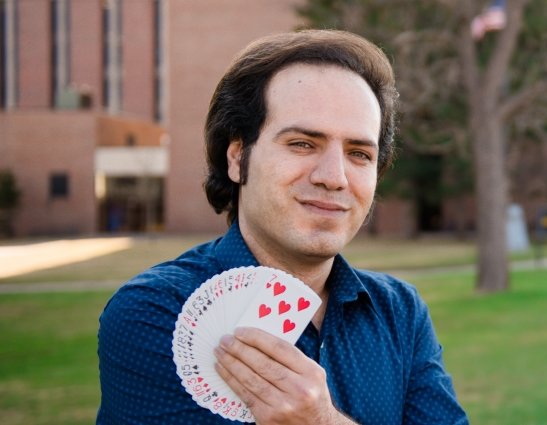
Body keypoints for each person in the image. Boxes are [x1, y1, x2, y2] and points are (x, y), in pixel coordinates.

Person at [97, 30, 468, 424]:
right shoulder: (155, 313)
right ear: (238, 158)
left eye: (359, 154)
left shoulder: (399, 312)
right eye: (302, 144)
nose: (334, 177)